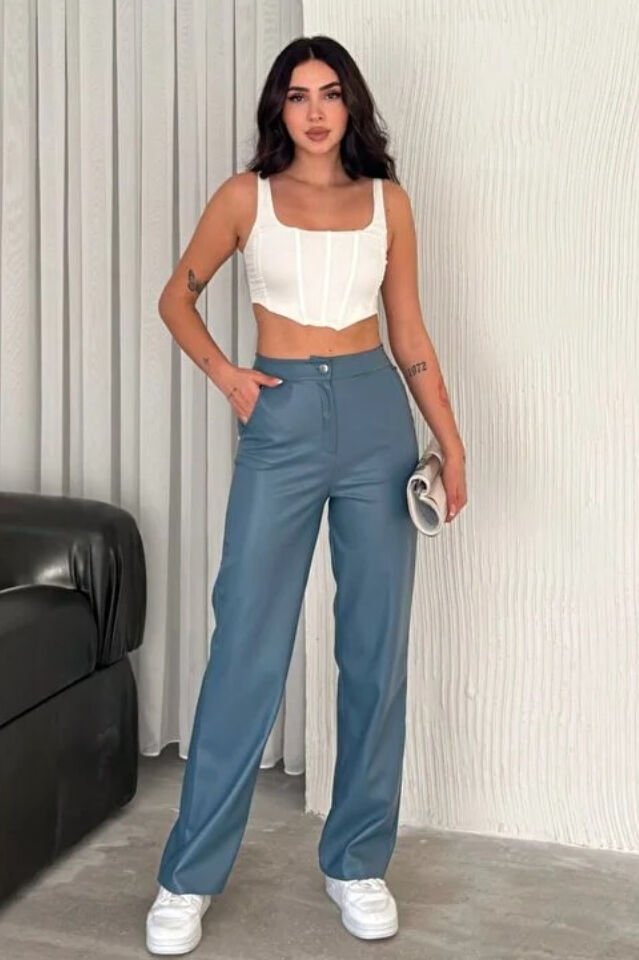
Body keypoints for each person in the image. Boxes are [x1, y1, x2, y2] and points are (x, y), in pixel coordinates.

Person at [145, 33, 467, 957]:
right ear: (278, 109)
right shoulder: (243, 198)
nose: (315, 111)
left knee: (373, 647)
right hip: (279, 418)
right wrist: (229, 378)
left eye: (329, 93)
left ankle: (356, 861)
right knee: (246, 643)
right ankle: (186, 878)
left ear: (350, 104)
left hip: (374, 419)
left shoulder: (387, 203)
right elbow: (176, 297)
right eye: (297, 95)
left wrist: (449, 444)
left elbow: (408, 332)